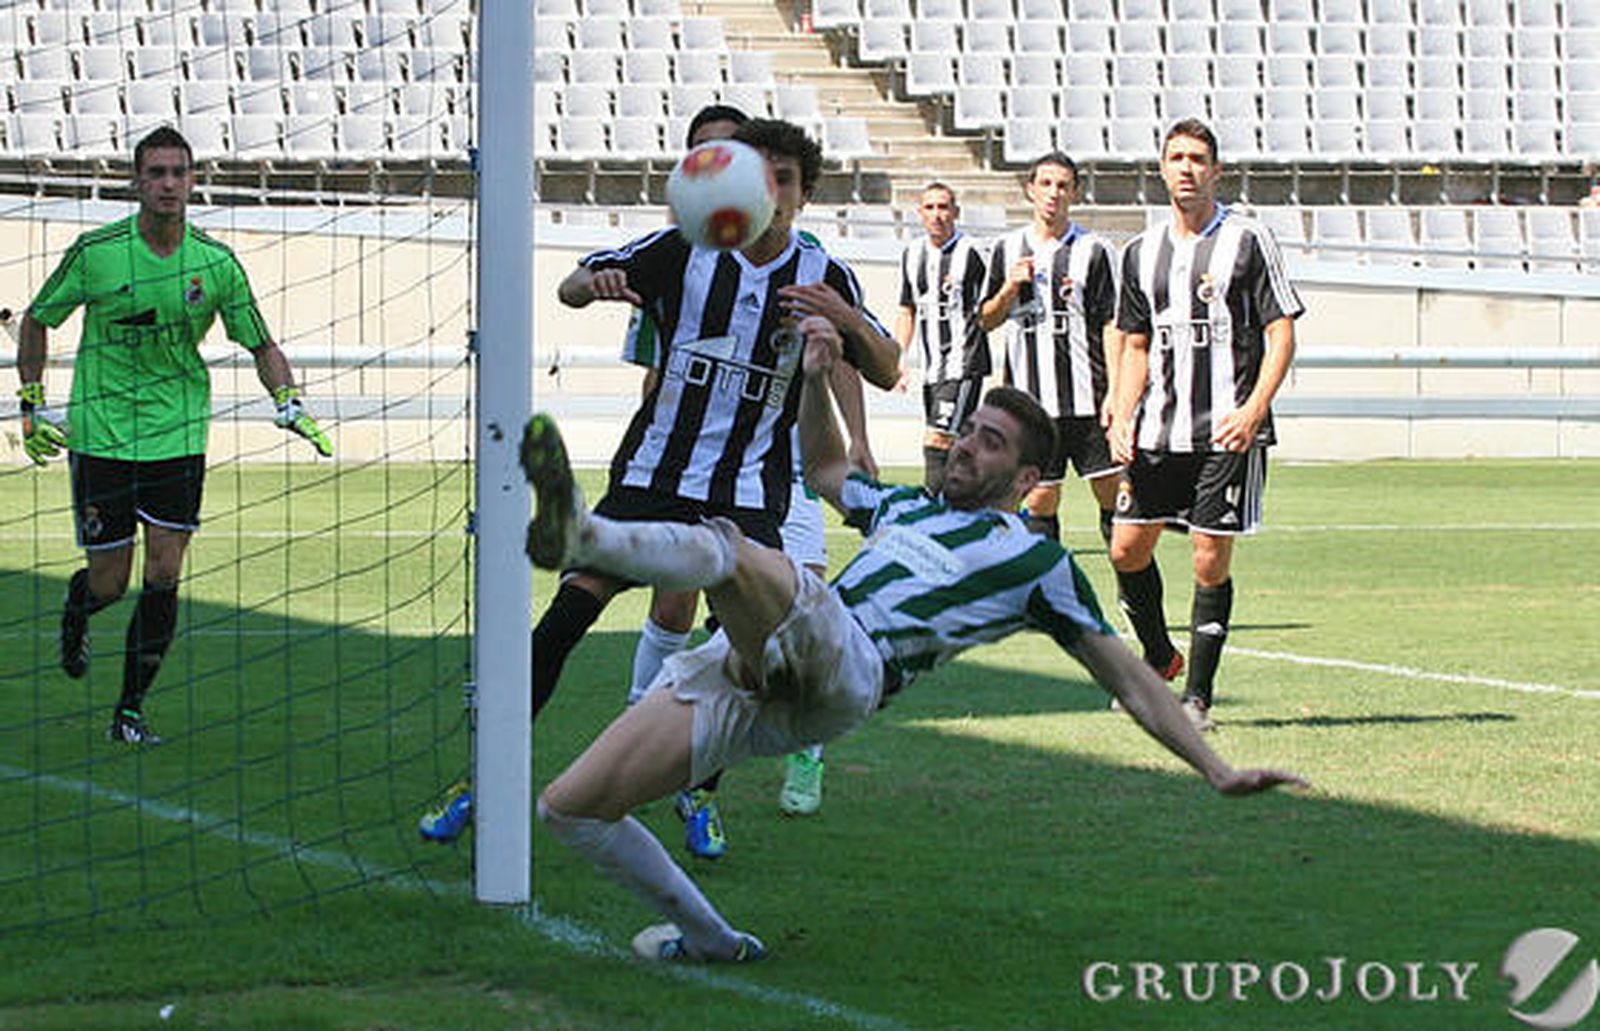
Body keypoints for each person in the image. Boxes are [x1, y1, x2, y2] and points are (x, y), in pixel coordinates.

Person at [522, 316, 1307, 964]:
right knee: (570, 808)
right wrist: (815, 373)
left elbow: (1129, 676)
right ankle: (711, 940)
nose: (966, 445)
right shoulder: (905, 509)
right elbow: (827, 465)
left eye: (991, 442)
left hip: (851, 667)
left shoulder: (1038, 561)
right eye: (969, 431)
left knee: (727, 546)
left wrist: (1215, 768)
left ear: (1029, 476)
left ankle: (583, 537)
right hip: (766, 669)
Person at [422, 118, 899, 845]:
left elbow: (889, 367)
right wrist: (598, 284)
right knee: (565, 620)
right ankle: (484, 776)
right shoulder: (688, 247)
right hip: (654, 474)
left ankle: (698, 794)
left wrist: (847, 326)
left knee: (743, 656)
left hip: (746, 493)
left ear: (805, 194)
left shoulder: (823, 276)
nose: (770, 188)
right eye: (759, 173)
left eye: (786, 178)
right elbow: (572, 284)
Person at [13, 125, 333, 745]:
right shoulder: (97, 251)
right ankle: (79, 609)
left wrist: (288, 398)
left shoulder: (214, 263)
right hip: (101, 433)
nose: (167, 184)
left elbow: (260, 342)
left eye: (177, 173)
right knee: (111, 581)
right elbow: (37, 319)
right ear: (137, 182)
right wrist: (31, 399)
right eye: (155, 173)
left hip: (177, 435)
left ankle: (129, 710)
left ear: (192, 182)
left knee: (164, 572)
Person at [617, 106, 876, 844]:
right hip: (704, 471)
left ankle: (800, 755)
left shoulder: (817, 262)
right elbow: (662, 364)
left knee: (791, 623)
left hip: (790, 474)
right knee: (675, 609)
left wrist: (856, 439)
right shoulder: (687, 255)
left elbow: (853, 356)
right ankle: (648, 747)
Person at [1106, 119, 1303, 733]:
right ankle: (1160, 657)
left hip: (1225, 431)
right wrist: (1122, 407)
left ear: (1217, 170)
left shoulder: (1247, 240)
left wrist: (1254, 409)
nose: (1186, 168)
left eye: (1197, 158)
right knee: (1125, 548)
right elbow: (1135, 343)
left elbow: (1281, 330)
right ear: (1161, 169)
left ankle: (1196, 698)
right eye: (1175, 157)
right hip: (1158, 432)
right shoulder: (1141, 252)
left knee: (1207, 557)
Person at [978, 152, 1123, 547]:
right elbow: (985, 320)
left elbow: (1112, 323)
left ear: (1075, 193)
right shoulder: (1006, 248)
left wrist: (1116, 392)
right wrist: (1009, 288)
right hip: (1032, 405)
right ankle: (1047, 589)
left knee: (1113, 491)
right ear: (1030, 190)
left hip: (1090, 399)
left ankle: (1128, 591)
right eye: (1045, 184)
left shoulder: (1095, 250)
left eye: (1063, 185)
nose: (1053, 193)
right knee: (1040, 499)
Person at [894, 181, 991, 494]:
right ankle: (987, 501)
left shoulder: (973, 252)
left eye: (944, 207)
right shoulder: (912, 253)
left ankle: (933, 514)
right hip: (931, 368)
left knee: (937, 438)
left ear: (956, 212)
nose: (937, 215)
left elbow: (995, 301)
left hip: (963, 364)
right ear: (920, 213)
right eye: (930, 207)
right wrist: (898, 358)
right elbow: (906, 309)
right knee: (958, 442)